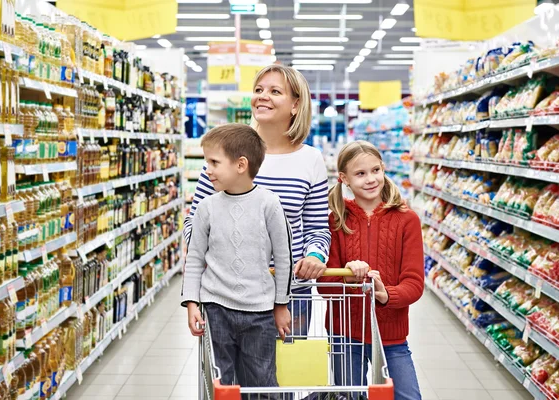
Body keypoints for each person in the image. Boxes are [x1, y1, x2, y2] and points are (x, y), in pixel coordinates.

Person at [183, 64, 330, 336]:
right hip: (230, 294)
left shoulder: (311, 160)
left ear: (296, 105)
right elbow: (193, 222)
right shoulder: (229, 151)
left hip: (291, 294)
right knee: (233, 379)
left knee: (288, 375)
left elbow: (317, 229)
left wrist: (314, 255)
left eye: (275, 91)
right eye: (259, 90)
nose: (263, 96)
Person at [181, 123, 293, 389]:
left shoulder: (269, 204)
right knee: (220, 383)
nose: (207, 170)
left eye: (214, 162)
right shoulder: (206, 208)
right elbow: (195, 258)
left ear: (240, 165)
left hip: (260, 312)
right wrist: (192, 303)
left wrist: (281, 304)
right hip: (216, 308)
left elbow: (284, 257)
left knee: (262, 382)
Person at [317, 141, 424, 400]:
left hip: (391, 335)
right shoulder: (335, 220)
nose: (370, 179)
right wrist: (345, 273)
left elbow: (414, 282)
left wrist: (386, 294)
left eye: (375, 170)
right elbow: (324, 285)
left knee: (408, 396)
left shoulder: (406, 220)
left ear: (384, 169)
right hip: (345, 333)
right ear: (344, 179)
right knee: (349, 397)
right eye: (360, 174)